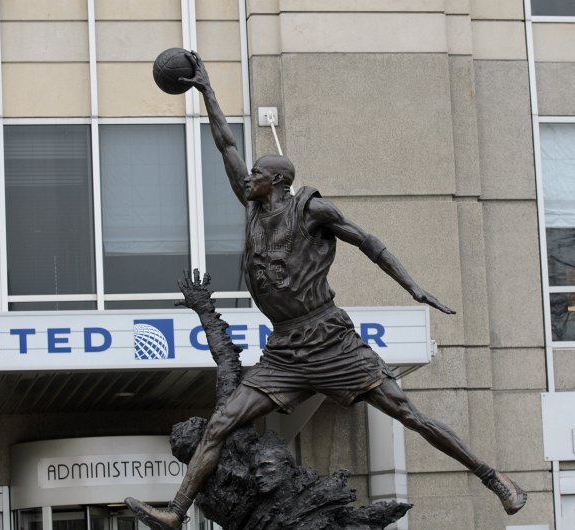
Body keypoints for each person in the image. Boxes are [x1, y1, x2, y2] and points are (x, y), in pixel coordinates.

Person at [127, 52, 527, 530]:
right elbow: (223, 144)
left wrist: (416, 288)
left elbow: (369, 242)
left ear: (275, 181)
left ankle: (494, 478)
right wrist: (207, 90)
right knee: (220, 424)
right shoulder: (255, 209)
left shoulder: (312, 209)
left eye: (256, 174)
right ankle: (175, 514)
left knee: (409, 415)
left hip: (330, 340)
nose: (246, 178)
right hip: (285, 351)